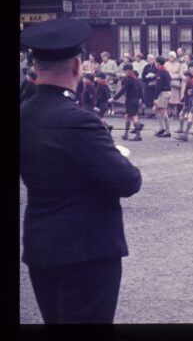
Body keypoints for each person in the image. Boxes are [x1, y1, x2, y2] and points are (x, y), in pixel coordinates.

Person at [20, 18, 141, 324]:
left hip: (41, 244)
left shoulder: (24, 113)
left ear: (35, 66)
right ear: (77, 66)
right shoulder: (77, 120)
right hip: (85, 250)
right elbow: (127, 180)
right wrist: (114, 152)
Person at [109, 64, 144, 141]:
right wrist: (142, 100)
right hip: (133, 100)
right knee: (127, 116)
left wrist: (114, 98)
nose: (124, 72)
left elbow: (123, 90)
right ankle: (126, 134)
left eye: (125, 71)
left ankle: (138, 136)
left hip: (132, 100)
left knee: (134, 117)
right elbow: (140, 90)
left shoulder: (130, 80)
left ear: (129, 70)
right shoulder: (135, 79)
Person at [153, 56, 172, 137]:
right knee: (155, 109)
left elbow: (158, 86)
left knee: (163, 111)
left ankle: (167, 131)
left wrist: (155, 98)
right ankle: (162, 128)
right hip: (167, 92)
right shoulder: (165, 71)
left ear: (158, 63)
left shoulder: (161, 72)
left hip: (163, 93)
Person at [164, 51, 182, 118]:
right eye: (169, 56)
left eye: (171, 56)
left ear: (174, 57)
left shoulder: (178, 64)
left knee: (175, 100)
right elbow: (165, 73)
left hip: (175, 84)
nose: (170, 58)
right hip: (167, 83)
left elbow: (180, 75)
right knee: (168, 99)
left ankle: (175, 113)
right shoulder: (166, 64)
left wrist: (172, 76)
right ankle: (168, 113)